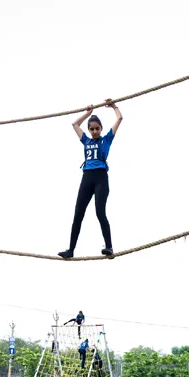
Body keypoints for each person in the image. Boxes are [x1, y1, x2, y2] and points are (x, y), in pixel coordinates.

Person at [58, 100, 123, 259]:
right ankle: (71, 250)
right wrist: (88, 112)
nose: (94, 131)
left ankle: (109, 247)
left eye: (97, 128)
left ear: (101, 129)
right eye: (91, 129)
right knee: (78, 213)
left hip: (101, 178)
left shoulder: (106, 139)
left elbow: (119, 119)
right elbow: (74, 124)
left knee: (100, 212)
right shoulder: (86, 140)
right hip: (86, 178)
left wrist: (114, 107)